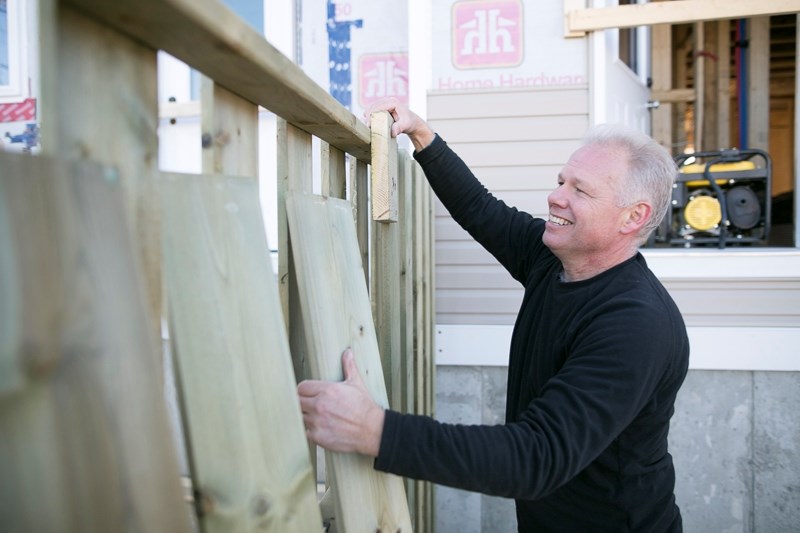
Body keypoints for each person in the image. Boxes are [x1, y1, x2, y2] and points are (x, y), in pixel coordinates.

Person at [298, 98, 690, 532]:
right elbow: (480, 210)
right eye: (562, 181)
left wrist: (375, 430)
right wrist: (422, 135)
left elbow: (537, 457)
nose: (555, 197)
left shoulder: (635, 324)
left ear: (633, 217)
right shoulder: (552, 259)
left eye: (580, 190)